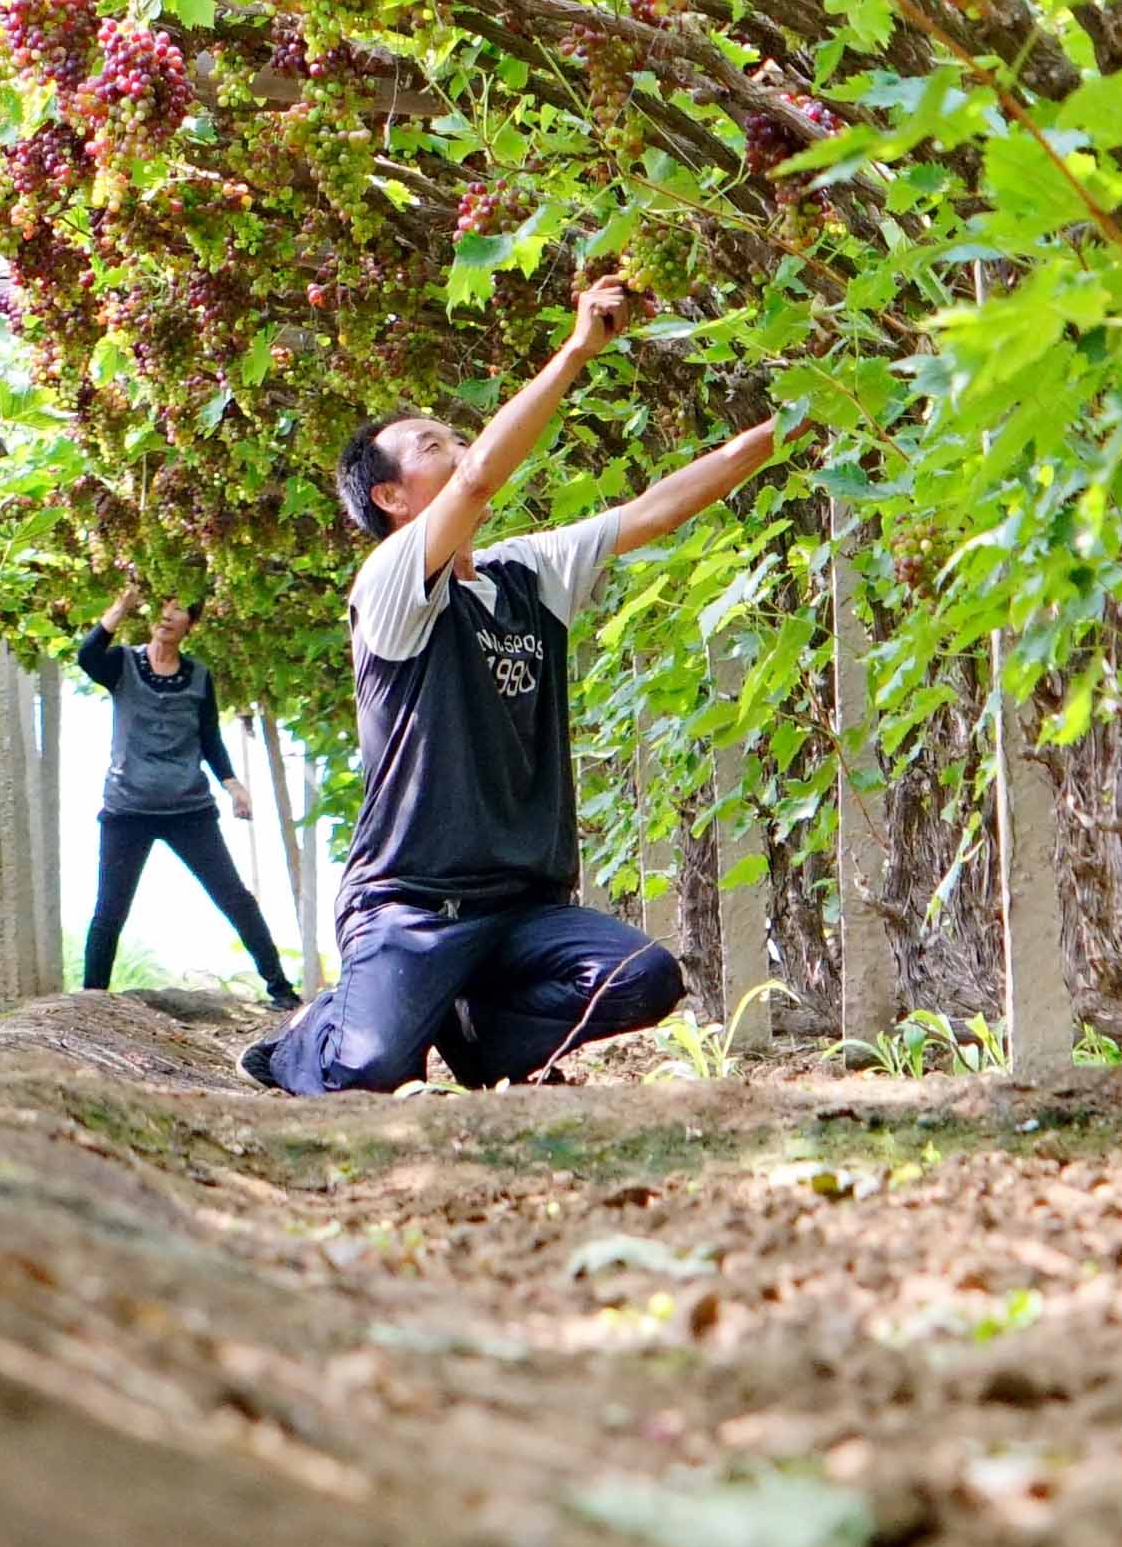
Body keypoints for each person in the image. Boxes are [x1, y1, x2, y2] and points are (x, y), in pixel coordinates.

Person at [246, 267, 784, 1094]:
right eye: (431, 445)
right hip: (410, 905)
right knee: (365, 1073)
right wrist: (575, 350)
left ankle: (475, 1034)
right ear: (390, 496)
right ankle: (309, 1039)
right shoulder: (391, 585)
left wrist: (784, 431)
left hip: (518, 910)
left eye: (455, 436)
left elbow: (655, 510)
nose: (456, 449)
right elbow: (479, 482)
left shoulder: (525, 573)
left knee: (644, 976)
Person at [76, 603, 303, 1005]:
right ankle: (92, 1001)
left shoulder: (198, 677)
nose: (166, 615)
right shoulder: (122, 664)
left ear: (190, 625)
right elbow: (87, 658)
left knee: (234, 897)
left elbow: (210, 736)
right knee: (110, 909)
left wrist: (233, 785)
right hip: (128, 808)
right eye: (161, 608)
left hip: (188, 809)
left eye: (177, 610)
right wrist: (117, 610)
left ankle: (281, 990)